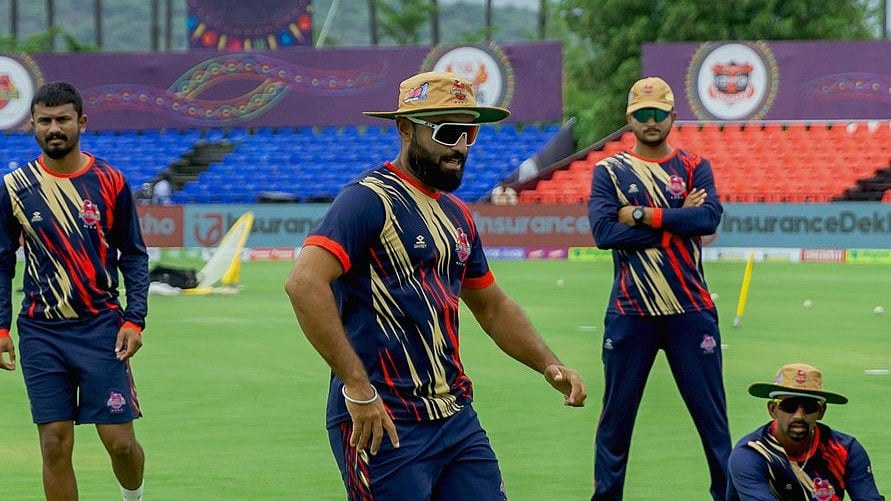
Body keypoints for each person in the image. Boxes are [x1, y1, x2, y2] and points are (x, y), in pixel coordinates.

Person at [284, 71, 587, 500]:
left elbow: (492, 306)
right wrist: (358, 387)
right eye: (447, 132)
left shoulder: (458, 214)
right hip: (383, 418)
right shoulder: (367, 200)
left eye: (468, 133)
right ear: (406, 129)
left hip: (455, 416)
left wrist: (548, 364)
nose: (459, 147)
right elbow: (303, 283)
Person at [0, 81, 149, 501]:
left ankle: (134, 498)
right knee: (54, 443)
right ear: (32, 125)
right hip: (41, 332)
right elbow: (2, 261)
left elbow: (133, 255)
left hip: (101, 327)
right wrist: (1, 327)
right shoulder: (15, 187)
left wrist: (134, 319)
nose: (53, 128)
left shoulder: (110, 182)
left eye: (62, 119)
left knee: (120, 443)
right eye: (44, 121)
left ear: (81, 122)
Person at [586, 76, 731, 500]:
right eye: (642, 114)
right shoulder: (610, 171)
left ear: (672, 116)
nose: (651, 121)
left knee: (714, 424)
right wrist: (675, 223)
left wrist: (643, 215)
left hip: (690, 310)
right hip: (631, 312)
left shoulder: (694, 166)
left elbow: (707, 219)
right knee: (615, 424)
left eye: (659, 113)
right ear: (630, 118)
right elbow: (605, 233)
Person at [727, 363, 885, 500]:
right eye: (789, 406)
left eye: (809, 406)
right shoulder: (751, 454)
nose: (799, 416)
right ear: (772, 409)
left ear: (821, 412)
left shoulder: (845, 450)